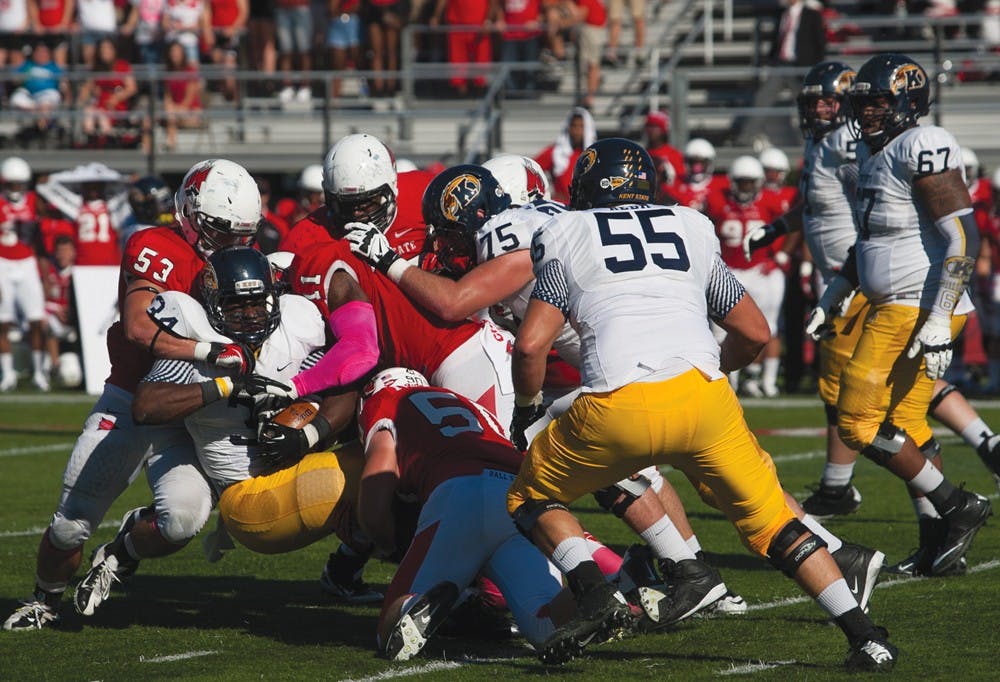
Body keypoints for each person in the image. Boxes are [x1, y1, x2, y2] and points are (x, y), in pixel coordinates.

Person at [503, 137, 897, 670]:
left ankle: (594, 592)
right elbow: (754, 333)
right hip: (705, 398)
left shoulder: (566, 230)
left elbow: (531, 345)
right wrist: (704, 369)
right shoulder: (689, 224)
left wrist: (526, 410)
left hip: (616, 407)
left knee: (529, 497)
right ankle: (865, 636)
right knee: (776, 525)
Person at [744, 62, 1000, 556]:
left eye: (877, 102)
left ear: (907, 101)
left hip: (912, 306)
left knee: (856, 420)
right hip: (889, 300)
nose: (866, 113)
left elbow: (963, 235)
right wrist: (832, 293)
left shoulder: (920, 145)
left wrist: (940, 319)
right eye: (861, 104)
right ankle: (939, 542)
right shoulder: (869, 148)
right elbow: (870, 241)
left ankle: (954, 504)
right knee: (907, 425)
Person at [2, 159, 261, 631]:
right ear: (189, 211)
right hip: (133, 397)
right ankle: (45, 599)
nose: (233, 244)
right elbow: (141, 327)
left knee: (181, 522)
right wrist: (208, 350)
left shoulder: (242, 254)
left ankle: (123, 549)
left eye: (242, 234)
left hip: (196, 409)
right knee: (71, 522)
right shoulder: (156, 245)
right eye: (222, 231)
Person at [128, 246, 363, 566]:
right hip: (249, 496)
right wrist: (227, 385)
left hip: (295, 466)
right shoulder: (199, 340)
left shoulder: (296, 326)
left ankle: (348, 568)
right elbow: (145, 406)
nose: (251, 314)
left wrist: (308, 433)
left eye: (257, 302)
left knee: (385, 453)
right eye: (236, 305)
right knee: (382, 472)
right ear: (212, 305)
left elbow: (343, 384)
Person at [356, 367, 571, 660]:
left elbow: (378, 485)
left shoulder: (387, 400)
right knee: (547, 627)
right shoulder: (471, 405)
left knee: (388, 633)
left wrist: (387, 542)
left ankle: (420, 603)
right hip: (520, 495)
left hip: (459, 491)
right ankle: (611, 585)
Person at [706, 155, 788, 398]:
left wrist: (779, 254)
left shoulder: (770, 202)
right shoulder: (718, 202)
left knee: (768, 327)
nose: (746, 188)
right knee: (720, 329)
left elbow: (792, 225)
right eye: (741, 182)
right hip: (730, 270)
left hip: (762, 270)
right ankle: (727, 379)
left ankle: (765, 381)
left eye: (750, 182)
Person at [735, 0, 827, 148]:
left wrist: (814, 70)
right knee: (761, 98)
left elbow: (820, 45)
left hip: (801, 68)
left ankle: (809, 143)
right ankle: (745, 140)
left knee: (806, 107)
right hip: (781, 65)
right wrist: (771, 60)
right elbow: (777, 40)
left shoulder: (812, 15)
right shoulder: (782, 14)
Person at [0, 156, 48, 392]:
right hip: (3, 263)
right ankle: (7, 373)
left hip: (27, 262)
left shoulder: (33, 200)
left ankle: (39, 372)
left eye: (20, 183)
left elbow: (48, 214)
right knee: (3, 321)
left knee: (36, 319)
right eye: (12, 184)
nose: (16, 188)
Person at [76, 38, 139, 145]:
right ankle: (91, 139)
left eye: (108, 48)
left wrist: (116, 97)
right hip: (101, 102)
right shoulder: (97, 67)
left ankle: (107, 141)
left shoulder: (122, 66)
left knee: (101, 114)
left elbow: (132, 88)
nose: (105, 51)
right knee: (89, 111)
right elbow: (88, 86)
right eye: (102, 49)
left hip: (117, 102)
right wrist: (82, 98)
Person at [429, 0, 494, 98]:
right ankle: (460, 94)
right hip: (457, 24)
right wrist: (436, 16)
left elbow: (494, 2)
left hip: (479, 26)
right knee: (457, 61)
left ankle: (481, 93)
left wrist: (488, 20)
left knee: (481, 60)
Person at [534, 106, 596, 204]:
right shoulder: (555, 152)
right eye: (574, 126)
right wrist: (545, 193)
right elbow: (531, 169)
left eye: (581, 126)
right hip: (561, 209)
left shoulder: (595, 154)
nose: (577, 131)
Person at [662, 138, 726, 212]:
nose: (697, 169)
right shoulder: (676, 186)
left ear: (709, 163)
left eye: (702, 163)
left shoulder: (722, 185)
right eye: (692, 162)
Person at [162, 40, 204, 152]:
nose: (174, 54)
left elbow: (188, 99)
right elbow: (167, 96)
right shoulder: (168, 72)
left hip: (191, 111)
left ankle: (170, 142)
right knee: (152, 118)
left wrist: (173, 109)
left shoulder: (190, 70)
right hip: (175, 113)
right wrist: (169, 108)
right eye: (172, 52)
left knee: (170, 115)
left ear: (182, 54)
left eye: (177, 52)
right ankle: (167, 143)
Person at [641, 110, 684, 193]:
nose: (651, 130)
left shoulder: (674, 155)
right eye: (649, 126)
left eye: (655, 126)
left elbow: (679, 184)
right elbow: (639, 182)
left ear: (664, 129)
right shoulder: (642, 154)